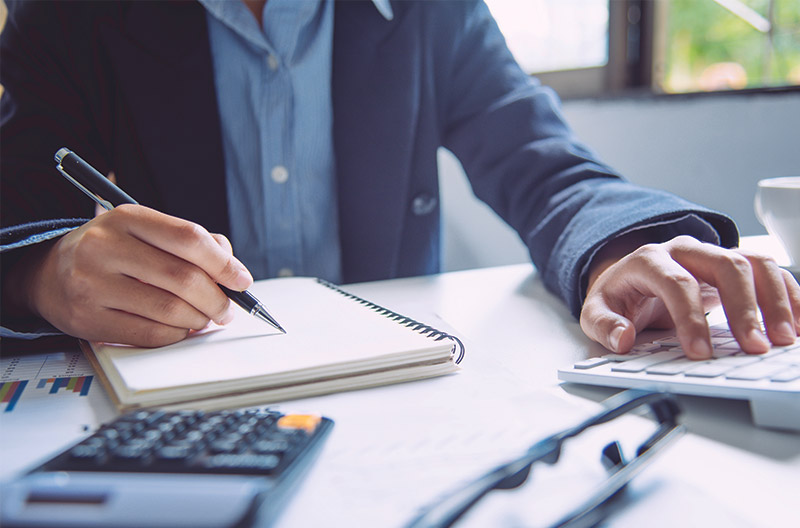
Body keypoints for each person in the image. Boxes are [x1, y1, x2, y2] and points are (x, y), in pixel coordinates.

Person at [1, 0, 797, 358]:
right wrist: (44, 273)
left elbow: (541, 160)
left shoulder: (432, 11)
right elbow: (17, 205)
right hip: (174, 399)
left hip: (399, 397)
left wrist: (623, 246)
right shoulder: (67, 16)